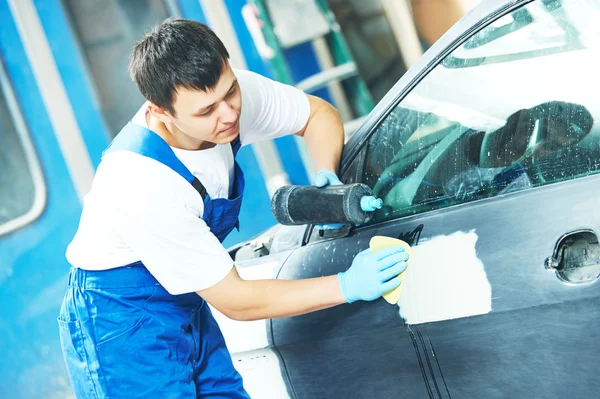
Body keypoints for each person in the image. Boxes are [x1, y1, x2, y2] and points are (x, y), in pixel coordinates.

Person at [58, 18, 408, 398]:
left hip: (186, 298)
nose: (228, 115)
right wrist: (346, 285)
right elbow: (237, 302)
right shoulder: (144, 185)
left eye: (230, 93)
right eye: (206, 111)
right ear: (161, 112)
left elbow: (317, 115)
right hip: (119, 321)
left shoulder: (222, 93)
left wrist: (327, 177)